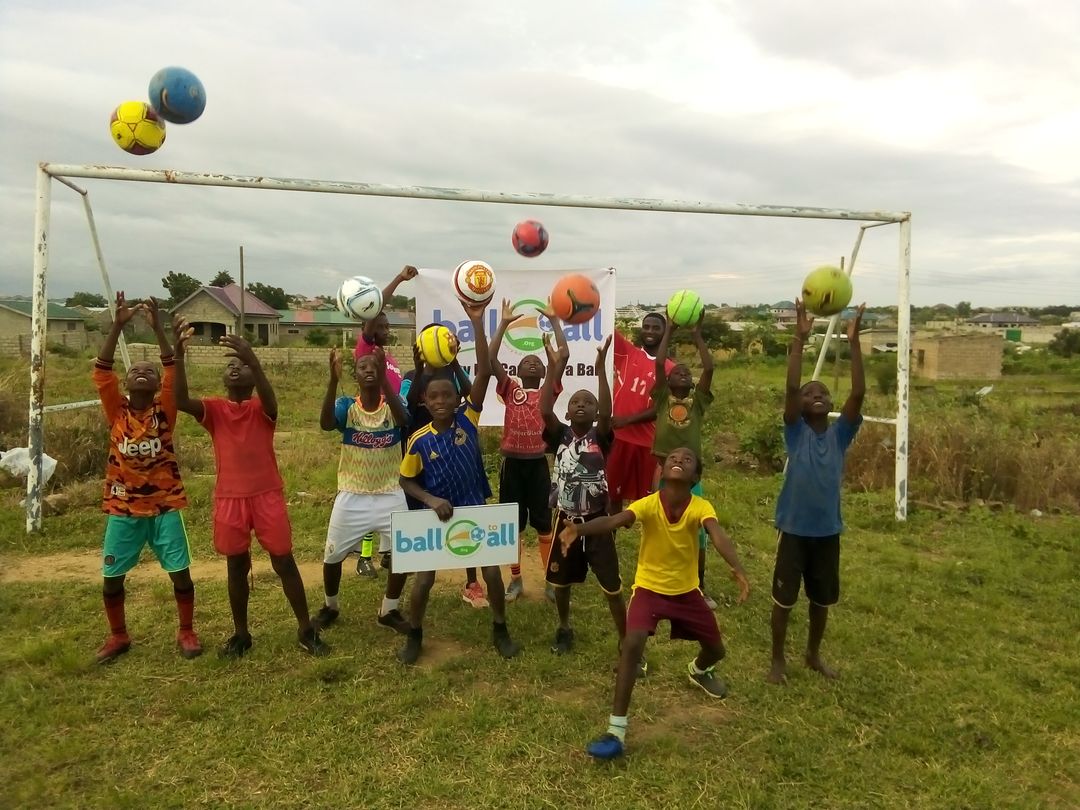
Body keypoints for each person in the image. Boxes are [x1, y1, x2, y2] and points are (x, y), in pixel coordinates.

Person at [559, 447, 750, 760]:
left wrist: (737, 567)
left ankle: (698, 670)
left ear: (696, 477)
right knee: (631, 646)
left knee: (717, 650)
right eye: (672, 458)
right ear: (660, 471)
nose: (678, 460)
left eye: (687, 459)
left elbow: (717, 534)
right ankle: (616, 732)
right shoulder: (648, 504)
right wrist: (579, 529)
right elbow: (614, 520)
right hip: (648, 589)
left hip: (686, 593)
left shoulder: (700, 506)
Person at [171, 317, 328, 658]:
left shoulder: (262, 408)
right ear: (222, 378)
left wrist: (253, 359)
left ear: (254, 377)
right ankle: (241, 634)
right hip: (230, 498)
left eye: (242, 366)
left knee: (284, 562)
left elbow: (273, 404)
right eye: (231, 366)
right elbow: (180, 400)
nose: (236, 368)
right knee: (236, 566)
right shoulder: (214, 409)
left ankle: (306, 629)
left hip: (267, 495)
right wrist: (177, 356)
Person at [397, 297, 520, 665]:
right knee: (423, 580)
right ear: (424, 400)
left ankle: (500, 628)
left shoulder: (469, 419)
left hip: (473, 507)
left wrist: (477, 322)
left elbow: (483, 371)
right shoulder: (419, 440)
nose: (440, 401)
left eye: (447, 395)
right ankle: (415, 635)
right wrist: (430, 500)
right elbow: (406, 481)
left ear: (457, 399)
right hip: (438, 513)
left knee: (492, 574)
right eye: (433, 396)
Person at [92, 293, 201, 664]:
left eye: (149, 371)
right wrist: (118, 326)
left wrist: (158, 329)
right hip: (123, 508)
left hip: (165, 507)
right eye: (135, 370)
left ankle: (186, 631)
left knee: (180, 574)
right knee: (112, 577)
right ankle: (118, 636)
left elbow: (172, 372)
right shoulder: (117, 411)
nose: (142, 372)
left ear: (156, 385)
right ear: (125, 383)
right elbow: (101, 371)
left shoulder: (164, 411)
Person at [768, 300, 865, 685]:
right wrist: (799, 338)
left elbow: (858, 392)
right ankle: (778, 659)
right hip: (794, 530)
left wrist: (853, 342)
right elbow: (792, 387)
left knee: (821, 599)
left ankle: (812, 654)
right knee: (784, 600)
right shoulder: (795, 431)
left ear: (831, 403)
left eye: (822, 392)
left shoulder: (841, 434)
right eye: (810, 394)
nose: (816, 395)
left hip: (827, 531)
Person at [541, 331, 634, 665]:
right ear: (568, 413)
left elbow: (608, 412)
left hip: (597, 523)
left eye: (588, 402)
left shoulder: (601, 436)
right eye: (575, 402)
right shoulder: (560, 434)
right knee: (561, 582)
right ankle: (564, 628)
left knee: (612, 587)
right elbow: (544, 408)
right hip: (565, 520)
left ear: (595, 414)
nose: (581, 404)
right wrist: (553, 369)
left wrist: (599, 370)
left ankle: (625, 640)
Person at [313, 345, 412, 635]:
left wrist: (384, 384)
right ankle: (330, 606)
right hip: (352, 494)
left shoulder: (393, 404)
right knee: (332, 556)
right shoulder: (347, 406)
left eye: (374, 367)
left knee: (403, 554)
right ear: (355, 375)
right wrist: (332, 381)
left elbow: (404, 421)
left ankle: (389, 610)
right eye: (362, 367)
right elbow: (326, 423)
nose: (368, 370)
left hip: (390, 492)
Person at [401, 335, 486, 608]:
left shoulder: (453, 376)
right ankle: (425, 568)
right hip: (424, 452)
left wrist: (455, 361)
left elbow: (472, 392)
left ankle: (472, 582)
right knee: (430, 518)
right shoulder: (412, 375)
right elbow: (409, 404)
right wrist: (418, 369)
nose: (440, 399)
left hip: (457, 448)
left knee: (468, 515)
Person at [489, 299, 563, 602]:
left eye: (537, 361)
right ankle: (516, 579)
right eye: (526, 361)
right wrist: (504, 323)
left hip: (538, 466)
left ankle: (550, 580)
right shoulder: (511, 389)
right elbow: (490, 358)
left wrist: (554, 322)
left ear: (545, 372)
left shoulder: (548, 391)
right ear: (517, 371)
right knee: (513, 527)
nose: (532, 363)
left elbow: (562, 356)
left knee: (544, 526)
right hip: (512, 465)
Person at [351, 264, 416, 578]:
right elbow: (374, 309)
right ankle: (364, 558)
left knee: (391, 489)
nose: (387, 329)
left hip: (393, 432)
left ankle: (389, 552)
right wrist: (399, 280)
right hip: (371, 431)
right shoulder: (366, 350)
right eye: (383, 325)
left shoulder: (388, 358)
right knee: (371, 491)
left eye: (388, 325)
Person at [650, 314, 719, 609]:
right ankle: (659, 581)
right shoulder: (662, 397)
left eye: (686, 373)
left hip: (690, 478)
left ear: (692, 383)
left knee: (697, 533)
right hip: (662, 472)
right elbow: (658, 363)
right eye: (676, 372)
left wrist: (697, 334)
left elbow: (709, 367)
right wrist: (669, 329)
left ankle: (699, 585)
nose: (682, 374)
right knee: (659, 527)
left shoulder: (698, 401)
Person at [607, 313, 675, 512]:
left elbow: (659, 408)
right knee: (612, 495)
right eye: (646, 326)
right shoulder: (628, 352)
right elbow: (604, 325)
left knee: (646, 503)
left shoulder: (670, 368)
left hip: (646, 442)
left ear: (665, 332)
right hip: (618, 438)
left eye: (656, 328)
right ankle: (611, 532)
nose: (650, 331)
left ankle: (644, 532)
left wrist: (627, 420)